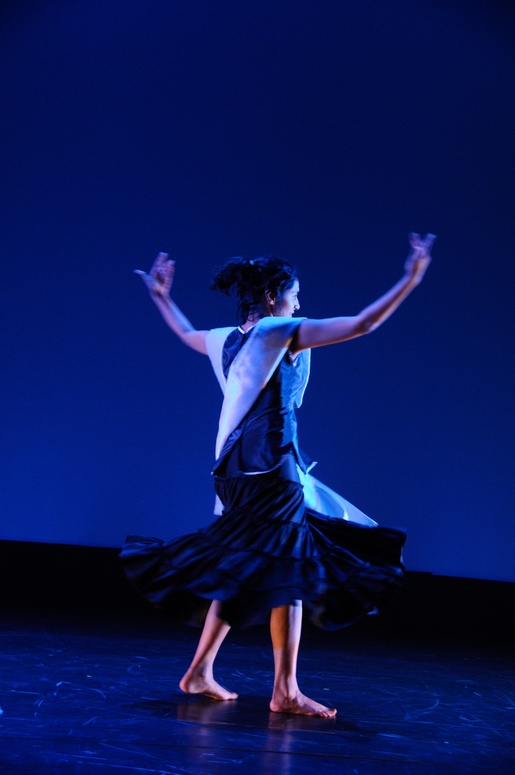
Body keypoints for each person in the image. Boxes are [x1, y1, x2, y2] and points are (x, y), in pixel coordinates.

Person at [121, 233, 435, 717]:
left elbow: (185, 334)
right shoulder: (280, 332)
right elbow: (363, 323)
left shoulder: (224, 339)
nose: (299, 304)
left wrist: (163, 298)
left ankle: (200, 670)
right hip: (270, 468)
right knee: (289, 570)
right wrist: (410, 279)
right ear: (272, 297)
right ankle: (285, 690)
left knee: (249, 565)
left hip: (232, 471)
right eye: (294, 294)